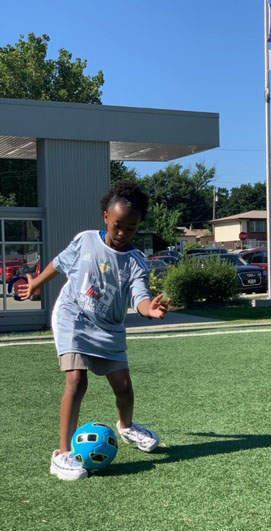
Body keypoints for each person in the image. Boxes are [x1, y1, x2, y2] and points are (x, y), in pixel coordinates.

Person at [18, 180, 171, 480]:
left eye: (131, 227)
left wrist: (148, 310)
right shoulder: (85, 240)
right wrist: (35, 284)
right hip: (73, 317)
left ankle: (126, 427)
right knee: (76, 380)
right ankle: (62, 455)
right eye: (117, 225)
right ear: (105, 216)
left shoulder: (136, 261)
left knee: (124, 388)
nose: (123, 233)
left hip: (109, 328)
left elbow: (139, 296)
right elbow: (59, 264)